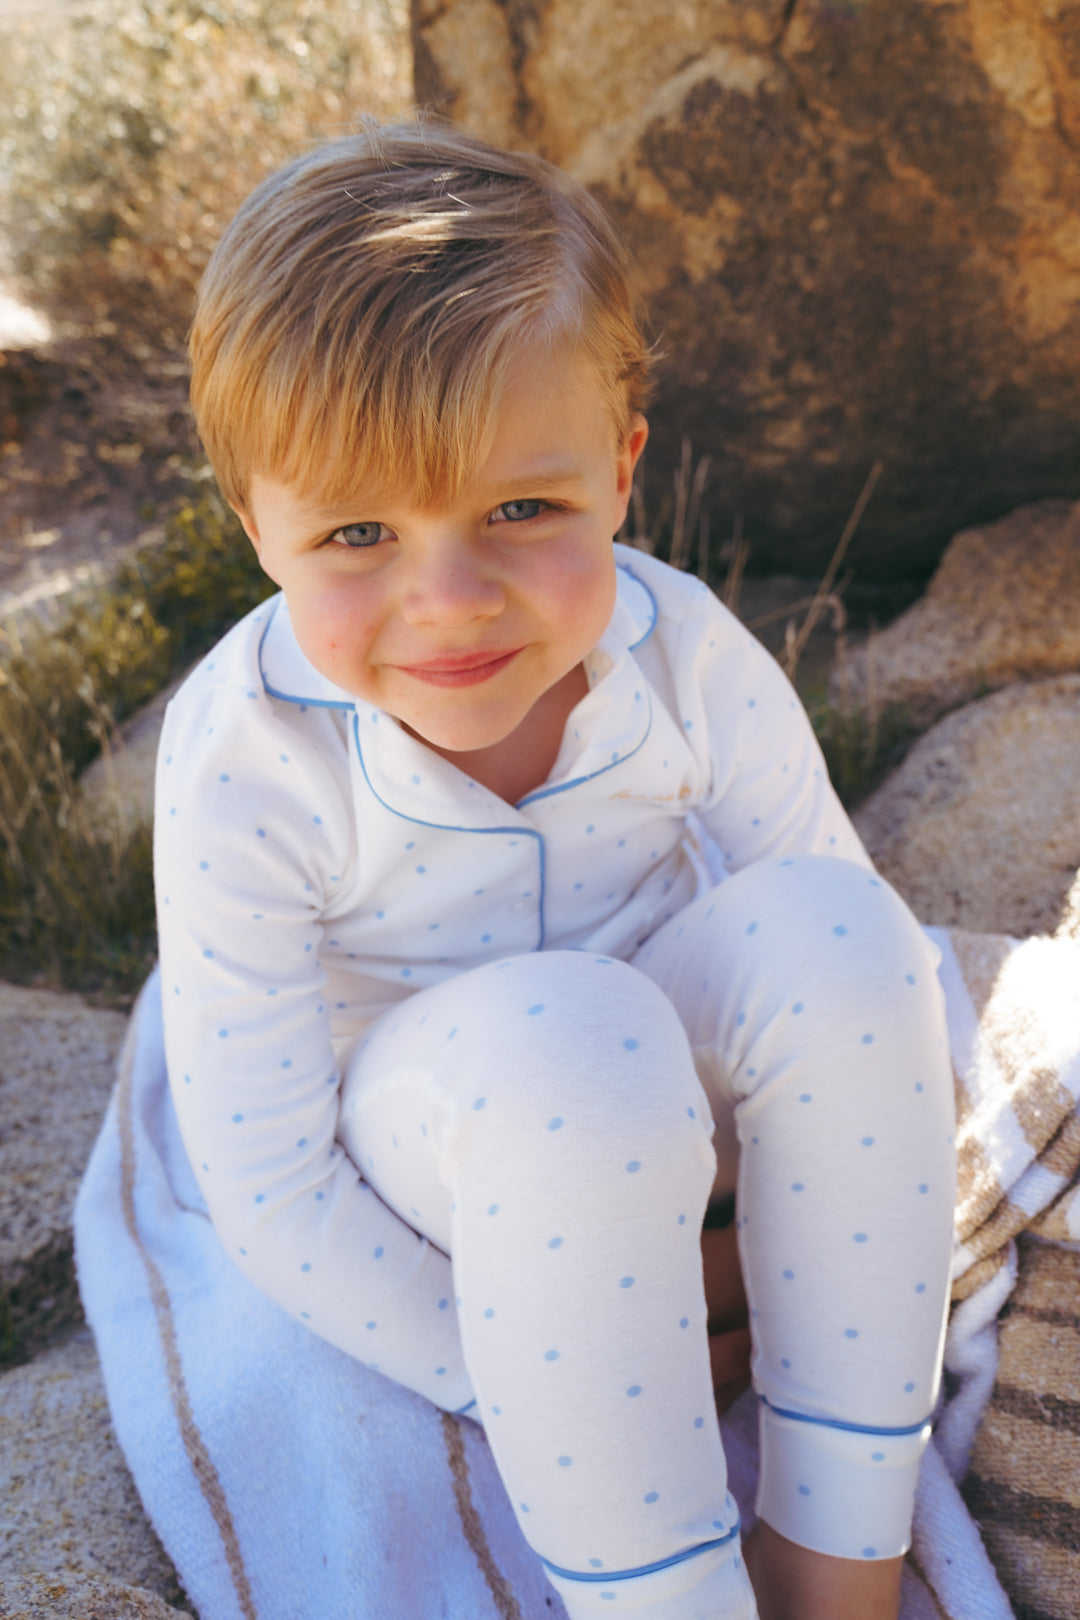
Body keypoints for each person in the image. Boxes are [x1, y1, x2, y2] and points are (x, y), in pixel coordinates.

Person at [156, 117, 956, 1620]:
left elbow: (845, 946)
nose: (449, 602)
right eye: (356, 532)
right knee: (566, 1044)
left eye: (523, 508)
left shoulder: (682, 650)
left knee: (850, 938)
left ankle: (836, 1563)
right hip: (439, 1142)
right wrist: (539, 1359)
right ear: (254, 524)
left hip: (673, 1091)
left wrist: (815, 1228)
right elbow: (269, 1186)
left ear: (622, 468)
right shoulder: (242, 763)